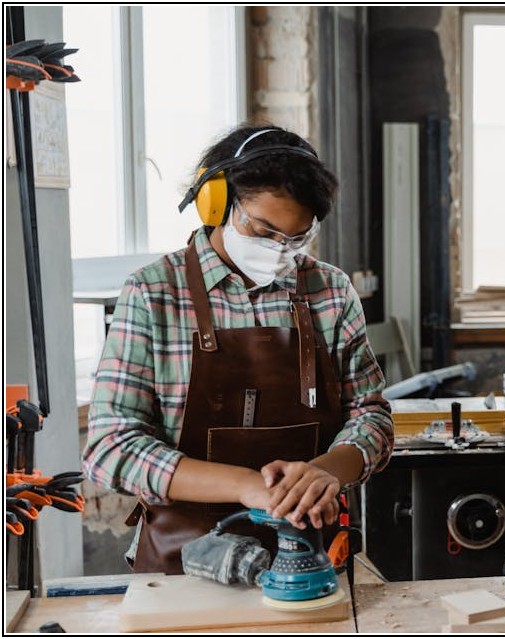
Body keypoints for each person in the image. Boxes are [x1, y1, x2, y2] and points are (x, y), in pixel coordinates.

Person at [82, 124, 394, 573]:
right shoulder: (154, 294)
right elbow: (110, 446)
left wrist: (329, 470)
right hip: (184, 560)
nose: (277, 250)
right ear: (217, 201)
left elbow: (371, 416)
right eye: (263, 230)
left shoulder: (329, 290)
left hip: (311, 555)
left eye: (295, 238)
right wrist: (248, 486)